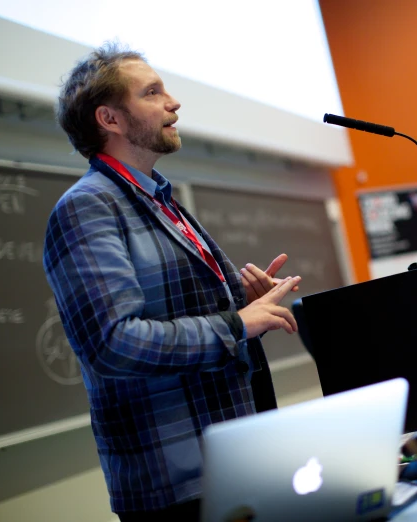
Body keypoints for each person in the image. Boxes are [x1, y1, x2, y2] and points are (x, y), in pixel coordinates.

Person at [43, 42, 302, 522]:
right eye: (152, 92)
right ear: (111, 119)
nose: (173, 102)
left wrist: (234, 300)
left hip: (231, 460)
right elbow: (112, 343)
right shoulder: (87, 207)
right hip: (177, 484)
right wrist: (235, 324)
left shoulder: (161, 199)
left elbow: (173, 312)